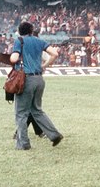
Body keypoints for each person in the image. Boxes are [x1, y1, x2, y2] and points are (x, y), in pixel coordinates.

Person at [10, 22, 63, 150]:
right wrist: (44, 66)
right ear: (31, 30)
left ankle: (23, 144)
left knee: (21, 113)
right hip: (39, 78)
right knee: (37, 110)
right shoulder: (39, 41)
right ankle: (54, 134)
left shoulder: (19, 41)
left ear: (19, 31)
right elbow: (54, 54)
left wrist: (13, 56)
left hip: (26, 79)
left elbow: (13, 58)